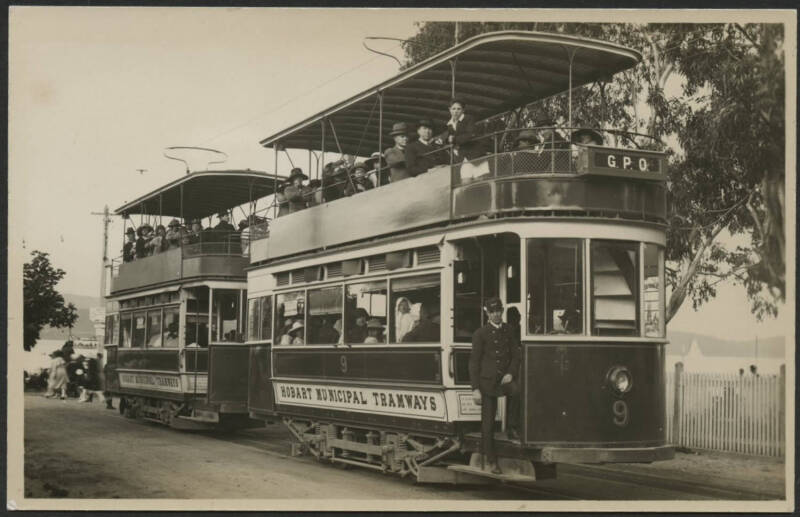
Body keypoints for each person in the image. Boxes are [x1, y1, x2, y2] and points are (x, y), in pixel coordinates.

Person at [468, 297, 521, 474]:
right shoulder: (480, 333)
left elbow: (516, 355)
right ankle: (492, 461)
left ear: (502, 311)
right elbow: (474, 362)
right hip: (487, 382)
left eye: (498, 310)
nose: (496, 314)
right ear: (487, 313)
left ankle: (512, 427)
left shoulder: (509, 330)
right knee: (488, 424)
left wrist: (511, 373)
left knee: (518, 391)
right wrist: (475, 388)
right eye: (492, 311)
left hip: (504, 380)